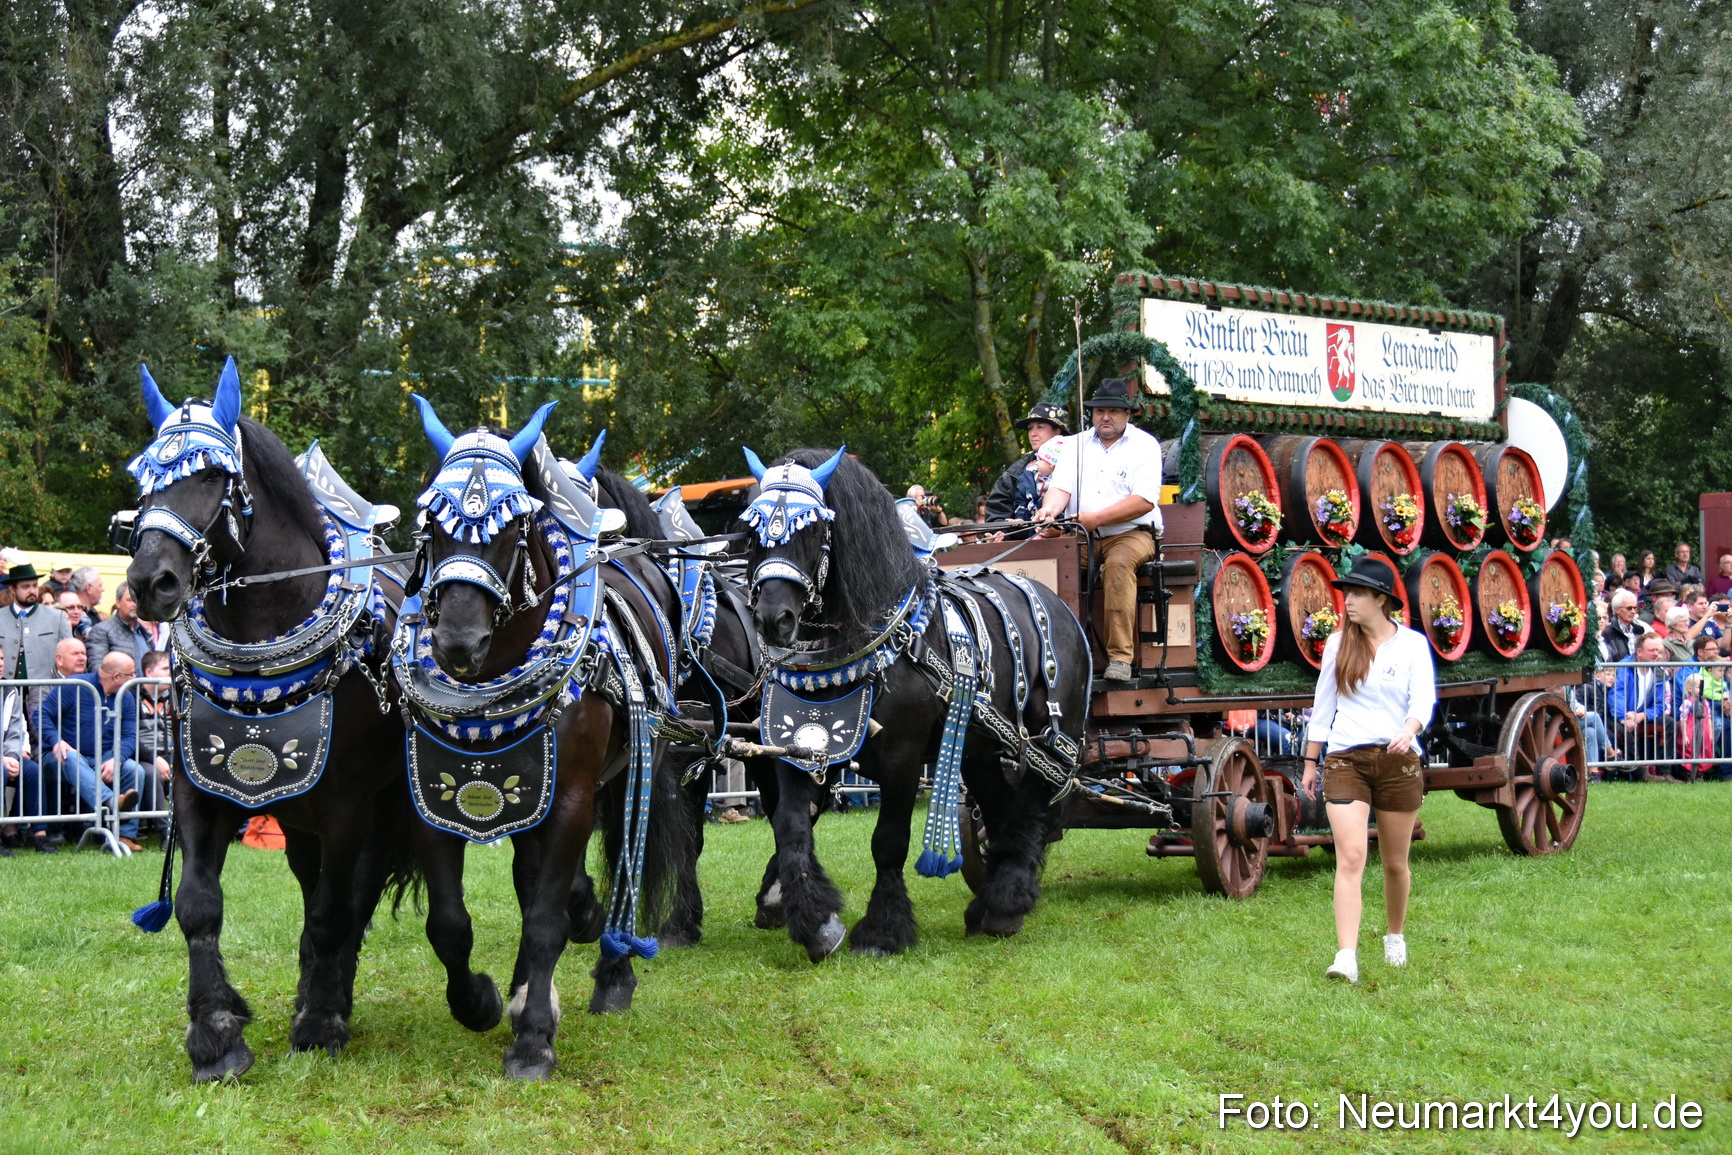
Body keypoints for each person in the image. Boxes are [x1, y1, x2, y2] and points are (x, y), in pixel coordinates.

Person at [1299, 556, 1434, 984]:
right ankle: (1346, 956)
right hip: (1345, 759)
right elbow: (1323, 708)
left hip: (1399, 760)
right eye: (1347, 594)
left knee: (1396, 863)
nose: (1348, 601)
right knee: (1352, 856)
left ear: (1381, 599)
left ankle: (1395, 936)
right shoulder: (1338, 644)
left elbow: (1423, 699)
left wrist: (1410, 729)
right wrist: (1309, 760)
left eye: (1357, 593)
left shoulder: (1412, 644)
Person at [1034, 378, 1163, 683]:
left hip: (1133, 533)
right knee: (1049, 563)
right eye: (1099, 411)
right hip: (1083, 534)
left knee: (1117, 566)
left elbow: (1144, 501)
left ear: (1127, 415)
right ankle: (1053, 652)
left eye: (1113, 411)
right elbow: (1059, 489)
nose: (1106, 417)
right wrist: (1049, 511)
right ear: (1091, 414)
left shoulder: (1145, 445)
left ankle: (1119, 659)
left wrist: (1097, 519)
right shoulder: (1075, 445)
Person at [38, 652, 143, 850]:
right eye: (131, 674)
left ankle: (125, 835)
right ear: (116, 676)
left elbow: (130, 736)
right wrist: (56, 741)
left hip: (101, 757)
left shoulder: (126, 696)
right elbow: (41, 714)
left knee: (134, 770)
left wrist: (117, 758)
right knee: (71, 756)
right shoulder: (75, 685)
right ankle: (110, 801)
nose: (134, 679)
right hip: (61, 757)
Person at [984, 402, 1071, 523]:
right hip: (1024, 541)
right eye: (1030, 428)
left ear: (1057, 431)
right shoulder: (1015, 473)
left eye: (1040, 427)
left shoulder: (1079, 466)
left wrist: (1062, 530)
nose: (1033, 433)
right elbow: (996, 514)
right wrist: (1000, 533)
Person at [1609, 634, 1675, 781]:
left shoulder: (1658, 672)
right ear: (1639, 652)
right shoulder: (1624, 667)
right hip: (1620, 715)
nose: (1656, 654)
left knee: (1669, 723)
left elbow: (1659, 705)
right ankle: (1639, 775)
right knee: (1625, 732)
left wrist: (1642, 715)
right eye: (1651, 650)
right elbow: (1616, 695)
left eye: (1657, 651)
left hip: (1641, 715)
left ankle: (1665, 773)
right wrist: (1624, 717)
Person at [0, 562, 70, 684]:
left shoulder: (57, 617)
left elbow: (69, 656)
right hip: (5, 694)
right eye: (25, 587)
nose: (32, 591)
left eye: (35, 585)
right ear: (12, 589)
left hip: (44, 693)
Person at [84, 583, 166, 669]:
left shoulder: (143, 633)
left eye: (138, 601)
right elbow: (98, 668)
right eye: (130, 600)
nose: (135, 604)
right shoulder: (101, 631)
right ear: (118, 602)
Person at [134, 649, 175, 818]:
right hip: (142, 756)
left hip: (170, 754)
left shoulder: (174, 697)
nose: (171, 674)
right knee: (151, 772)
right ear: (149, 673)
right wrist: (154, 758)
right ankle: (164, 829)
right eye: (166, 669)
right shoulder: (131, 696)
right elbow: (129, 738)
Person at [1570, 665, 1619, 775]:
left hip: (1579, 719)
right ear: (1597, 676)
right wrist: (1580, 709)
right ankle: (1610, 753)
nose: (1611, 678)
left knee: (1590, 732)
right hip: (1565, 721)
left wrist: (1580, 708)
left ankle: (1593, 772)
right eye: (1608, 674)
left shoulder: (1604, 690)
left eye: (1613, 676)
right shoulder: (1588, 687)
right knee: (1594, 717)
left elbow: (1574, 703)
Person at [1599, 588, 1647, 663]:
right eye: (1629, 608)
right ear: (1617, 610)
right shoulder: (1608, 632)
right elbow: (1613, 659)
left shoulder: (1639, 630)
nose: (1633, 612)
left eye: (1635, 608)